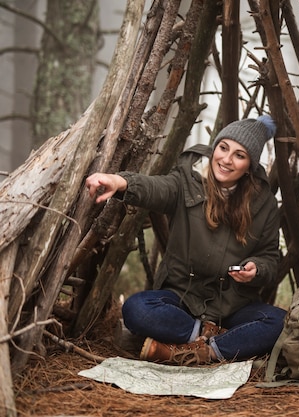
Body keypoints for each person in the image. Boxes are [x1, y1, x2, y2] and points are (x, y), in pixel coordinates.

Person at [85, 115, 286, 365]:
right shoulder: (188, 181)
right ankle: (211, 340)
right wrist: (121, 181)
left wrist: (256, 269)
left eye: (239, 155)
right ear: (215, 148)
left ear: (249, 166)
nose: (226, 160)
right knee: (136, 309)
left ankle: (199, 351)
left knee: (279, 322)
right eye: (223, 148)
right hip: (182, 299)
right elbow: (157, 188)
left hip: (232, 307)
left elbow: (270, 258)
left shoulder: (263, 204)